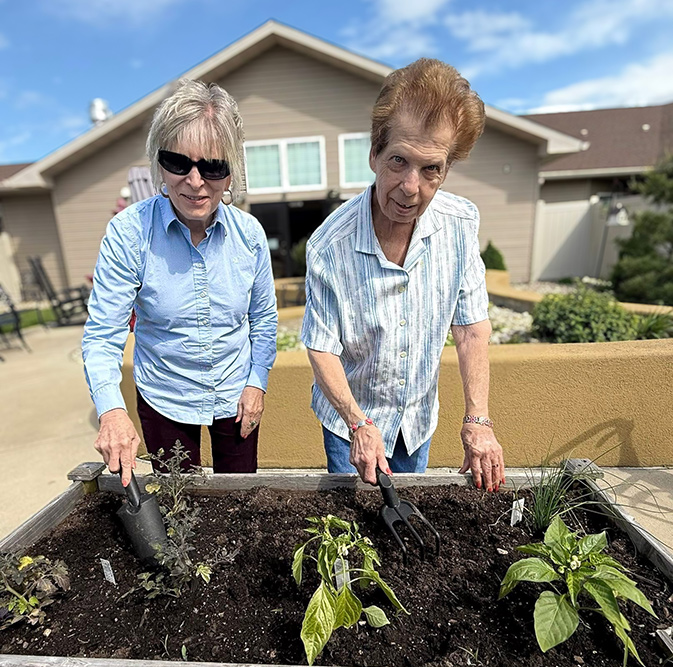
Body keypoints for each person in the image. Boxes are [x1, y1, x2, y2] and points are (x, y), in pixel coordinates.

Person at [301, 58, 504, 491]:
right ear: (374, 154)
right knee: (353, 530)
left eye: (431, 168)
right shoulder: (328, 245)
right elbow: (321, 348)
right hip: (349, 423)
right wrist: (358, 424)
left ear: (447, 169)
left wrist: (477, 421)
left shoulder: (461, 224)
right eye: (399, 161)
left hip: (416, 421)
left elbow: (470, 330)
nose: (411, 187)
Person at [82, 79, 277, 487]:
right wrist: (112, 411)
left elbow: (264, 320)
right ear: (159, 162)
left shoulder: (251, 235)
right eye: (178, 162)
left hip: (236, 393)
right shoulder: (128, 232)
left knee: (239, 502)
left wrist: (257, 382)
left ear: (231, 172)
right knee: (177, 506)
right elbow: (103, 334)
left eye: (212, 166)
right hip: (164, 395)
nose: (194, 180)